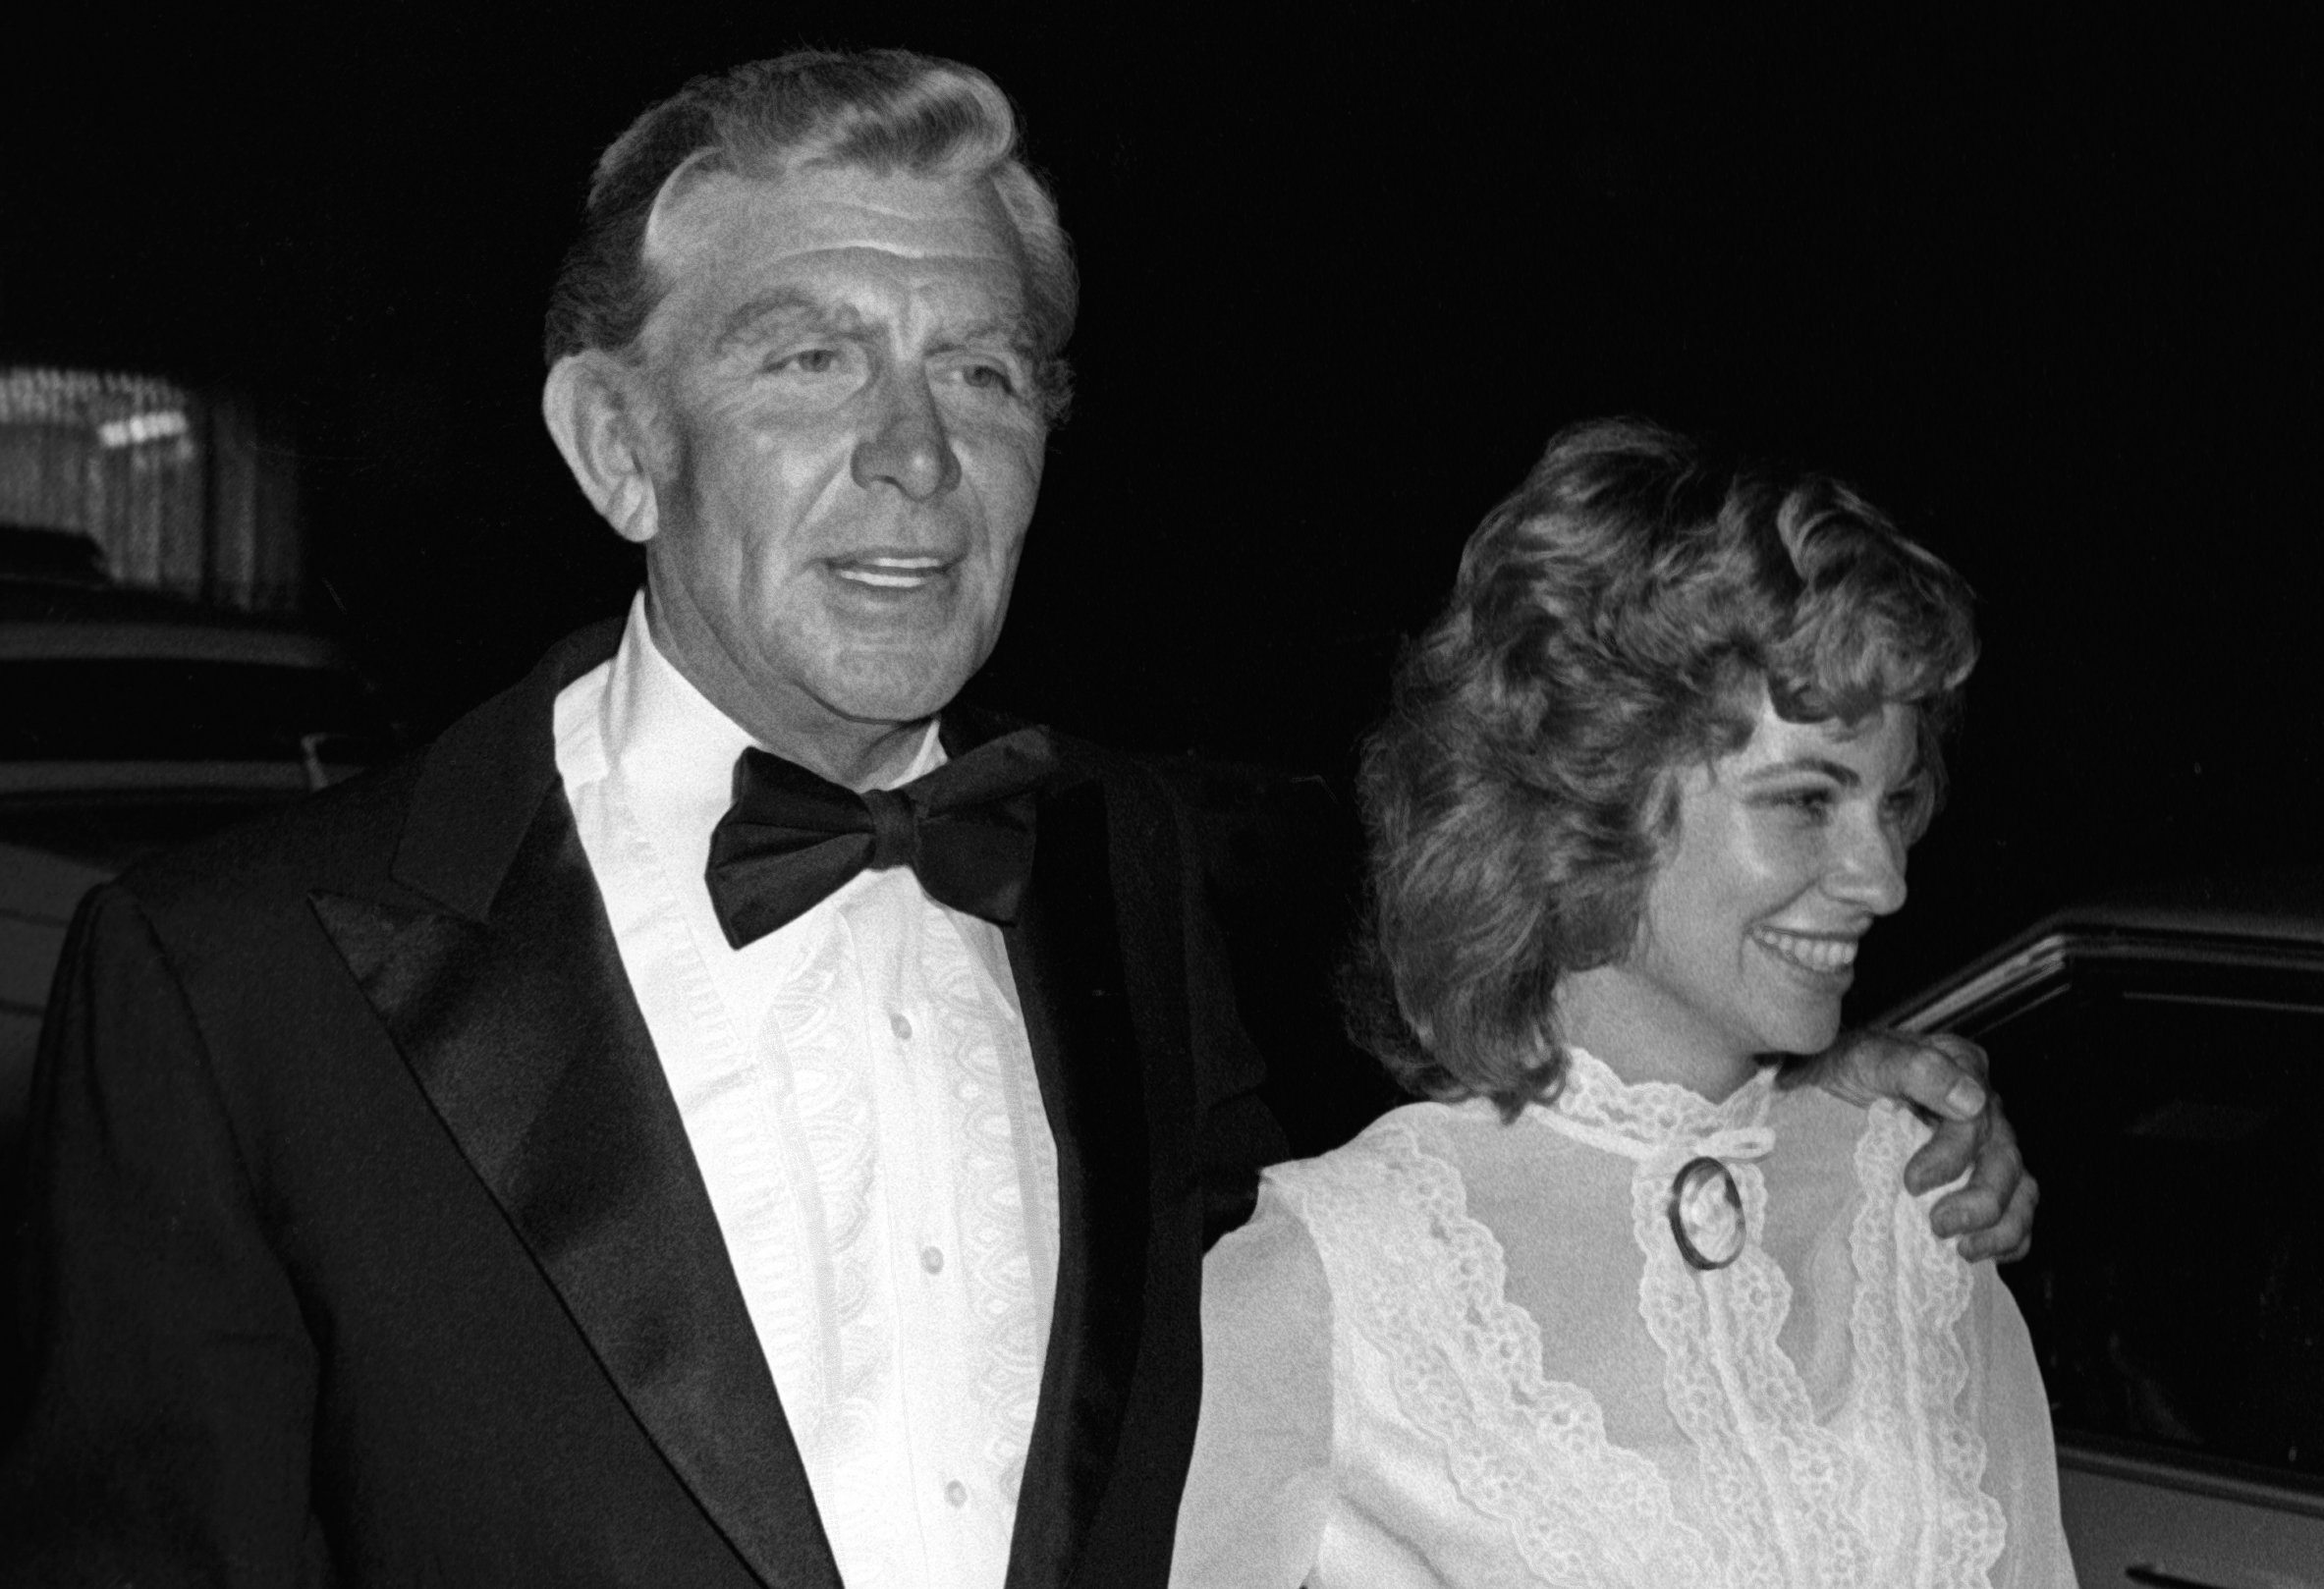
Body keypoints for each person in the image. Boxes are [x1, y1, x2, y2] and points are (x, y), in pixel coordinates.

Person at [0, 53, 2030, 1589]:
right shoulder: (229, 978)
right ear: (620, 443)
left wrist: (1820, 1097)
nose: (912, 453)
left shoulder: (1122, 862)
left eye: (980, 372)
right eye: (810, 358)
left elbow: (1435, 1192)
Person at [1171, 419, 2075, 1586]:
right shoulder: (1329, 1280)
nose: (1883, 879)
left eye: (1890, 804)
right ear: (1590, 796)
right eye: (1805, 800)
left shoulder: (1915, 1196)